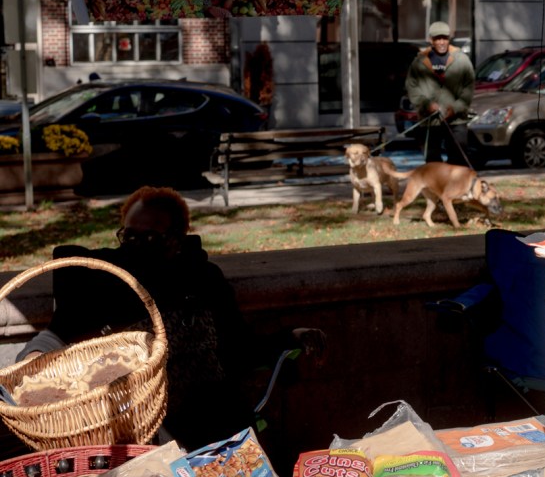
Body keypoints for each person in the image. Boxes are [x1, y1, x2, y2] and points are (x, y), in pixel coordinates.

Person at [17, 186, 326, 449]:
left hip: (213, 412)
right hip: (142, 422)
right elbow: (56, 335)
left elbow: (239, 345)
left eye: (150, 238)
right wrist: (34, 356)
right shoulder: (107, 281)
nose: (136, 247)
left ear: (177, 240)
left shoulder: (203, 279)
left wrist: (291, 336)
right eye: (129, 236)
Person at [405, 21, 475, 165]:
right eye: (438, 39)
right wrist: (425, 104)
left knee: (459, 162)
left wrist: (455, 108)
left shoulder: (462, 60)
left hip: (456, 120)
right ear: (431, 40)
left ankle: (457, 188)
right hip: (429, 121)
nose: (442, 42)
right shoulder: (419, 62)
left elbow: (468, 89)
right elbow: (412, 87)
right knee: (432, 164)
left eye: (445, 38)